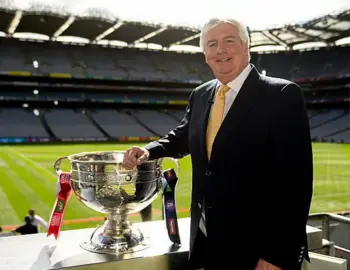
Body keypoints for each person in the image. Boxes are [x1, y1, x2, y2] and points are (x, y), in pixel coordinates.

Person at [123, 17, 313, 270]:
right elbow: (183, 136)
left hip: (259, 249)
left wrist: (277, 255)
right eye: (212, 44)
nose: (220, 50)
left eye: (229, 41)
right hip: (207, 239)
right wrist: (148, 151)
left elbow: (296, 183)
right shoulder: (201, 94)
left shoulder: (282, 94)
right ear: (205, 55)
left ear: (246, 46)